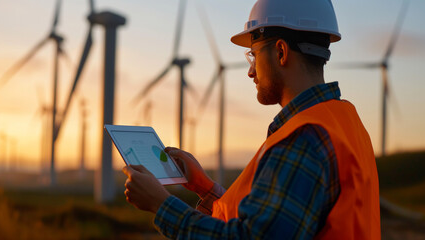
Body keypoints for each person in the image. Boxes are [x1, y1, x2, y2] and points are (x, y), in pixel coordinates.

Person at [122, 0, 381, 239]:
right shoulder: (344, 122)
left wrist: (161, 205)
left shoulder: (304, 137)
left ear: (280, 52)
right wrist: (204, 187)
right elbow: (271, 221)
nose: (250, 71)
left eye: (254, 55)